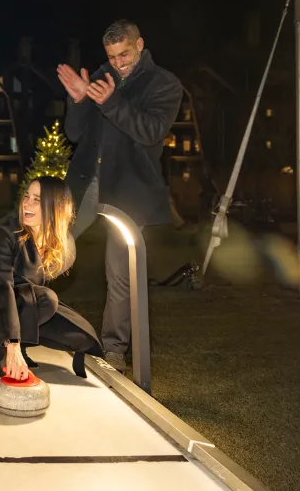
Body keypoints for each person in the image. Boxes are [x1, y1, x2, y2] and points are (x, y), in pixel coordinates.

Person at [56, 19, 182, 372]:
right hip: (85, 184)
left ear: (139, 44)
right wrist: (80, 100)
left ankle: (113, 350)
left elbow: (151, 131)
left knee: (120, 272)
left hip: (129, 188)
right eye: (112, 57)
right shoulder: (100, 76)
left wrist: (110, 102)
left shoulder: (164, 84)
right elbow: (74, 132)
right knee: (48, 247)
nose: (119, 63)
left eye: (124, 54)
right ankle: (8, 319)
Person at [0, 176, 103, 384]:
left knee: (79, 337)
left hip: (19, 299)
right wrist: (14, 344)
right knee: (46, 300)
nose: (27, 203)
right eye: (27, 196)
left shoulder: (64, 244)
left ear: (56, 207)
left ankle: (3, 340)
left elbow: (31, 288)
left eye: (37, 199)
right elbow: (2, 286)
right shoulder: (5, 231)